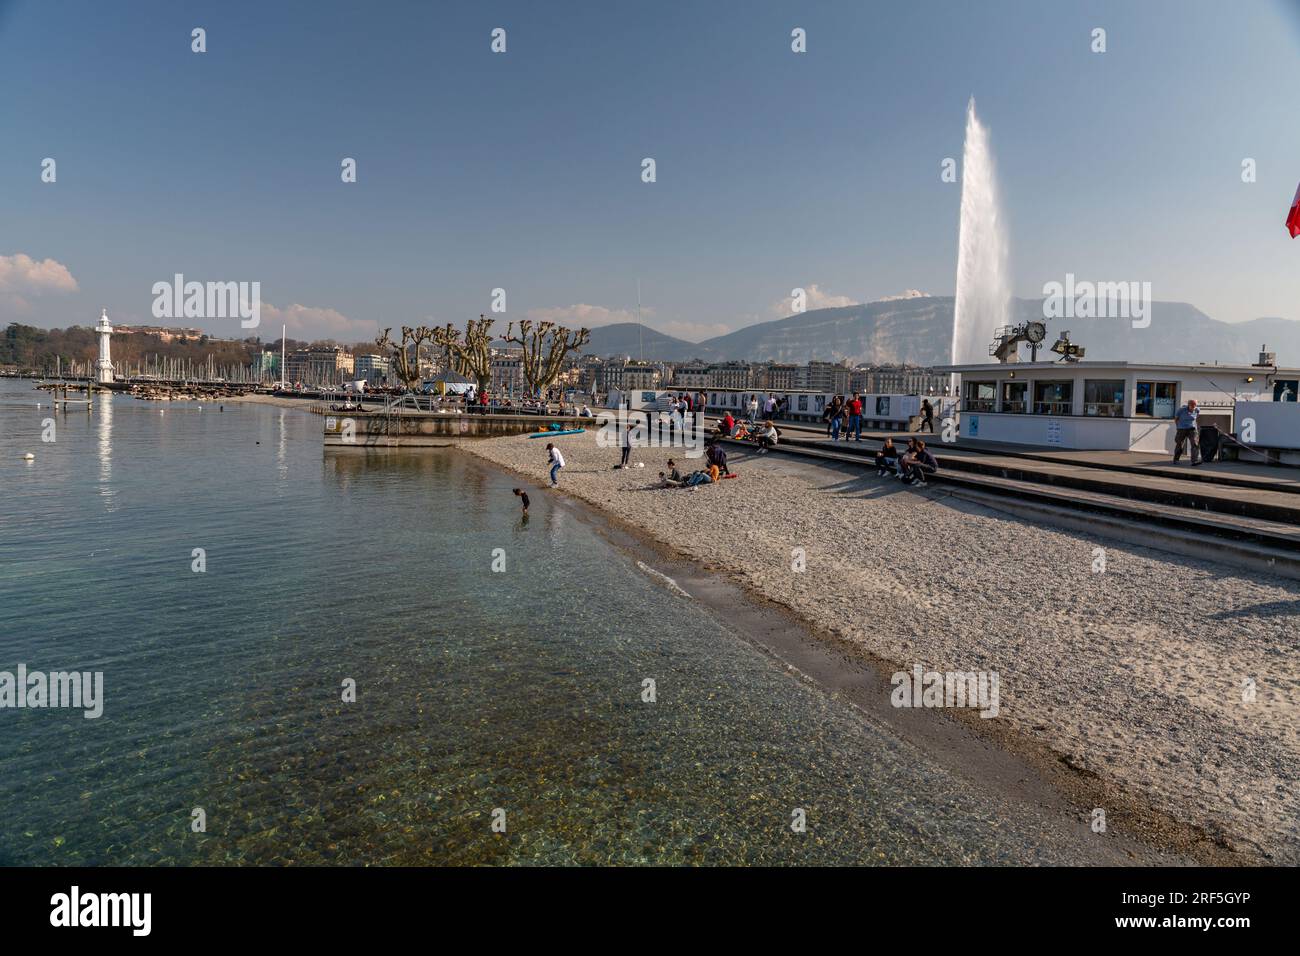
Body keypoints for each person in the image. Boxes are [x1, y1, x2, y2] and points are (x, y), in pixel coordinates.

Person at [1173, 398, 1201, 465]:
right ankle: (1176, 459)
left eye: (1195, 405)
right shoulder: (1181, 410)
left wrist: (1195, 426)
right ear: (1188, 404)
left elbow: (1196, 418)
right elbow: (1176, 419)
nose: (1194, 406)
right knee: (1179, 444)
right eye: (1192, 405)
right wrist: (1178, 427)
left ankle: (1194, 460)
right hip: (1182, 428)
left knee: (1195, 444)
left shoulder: (1197, 410)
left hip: (1192, 429)